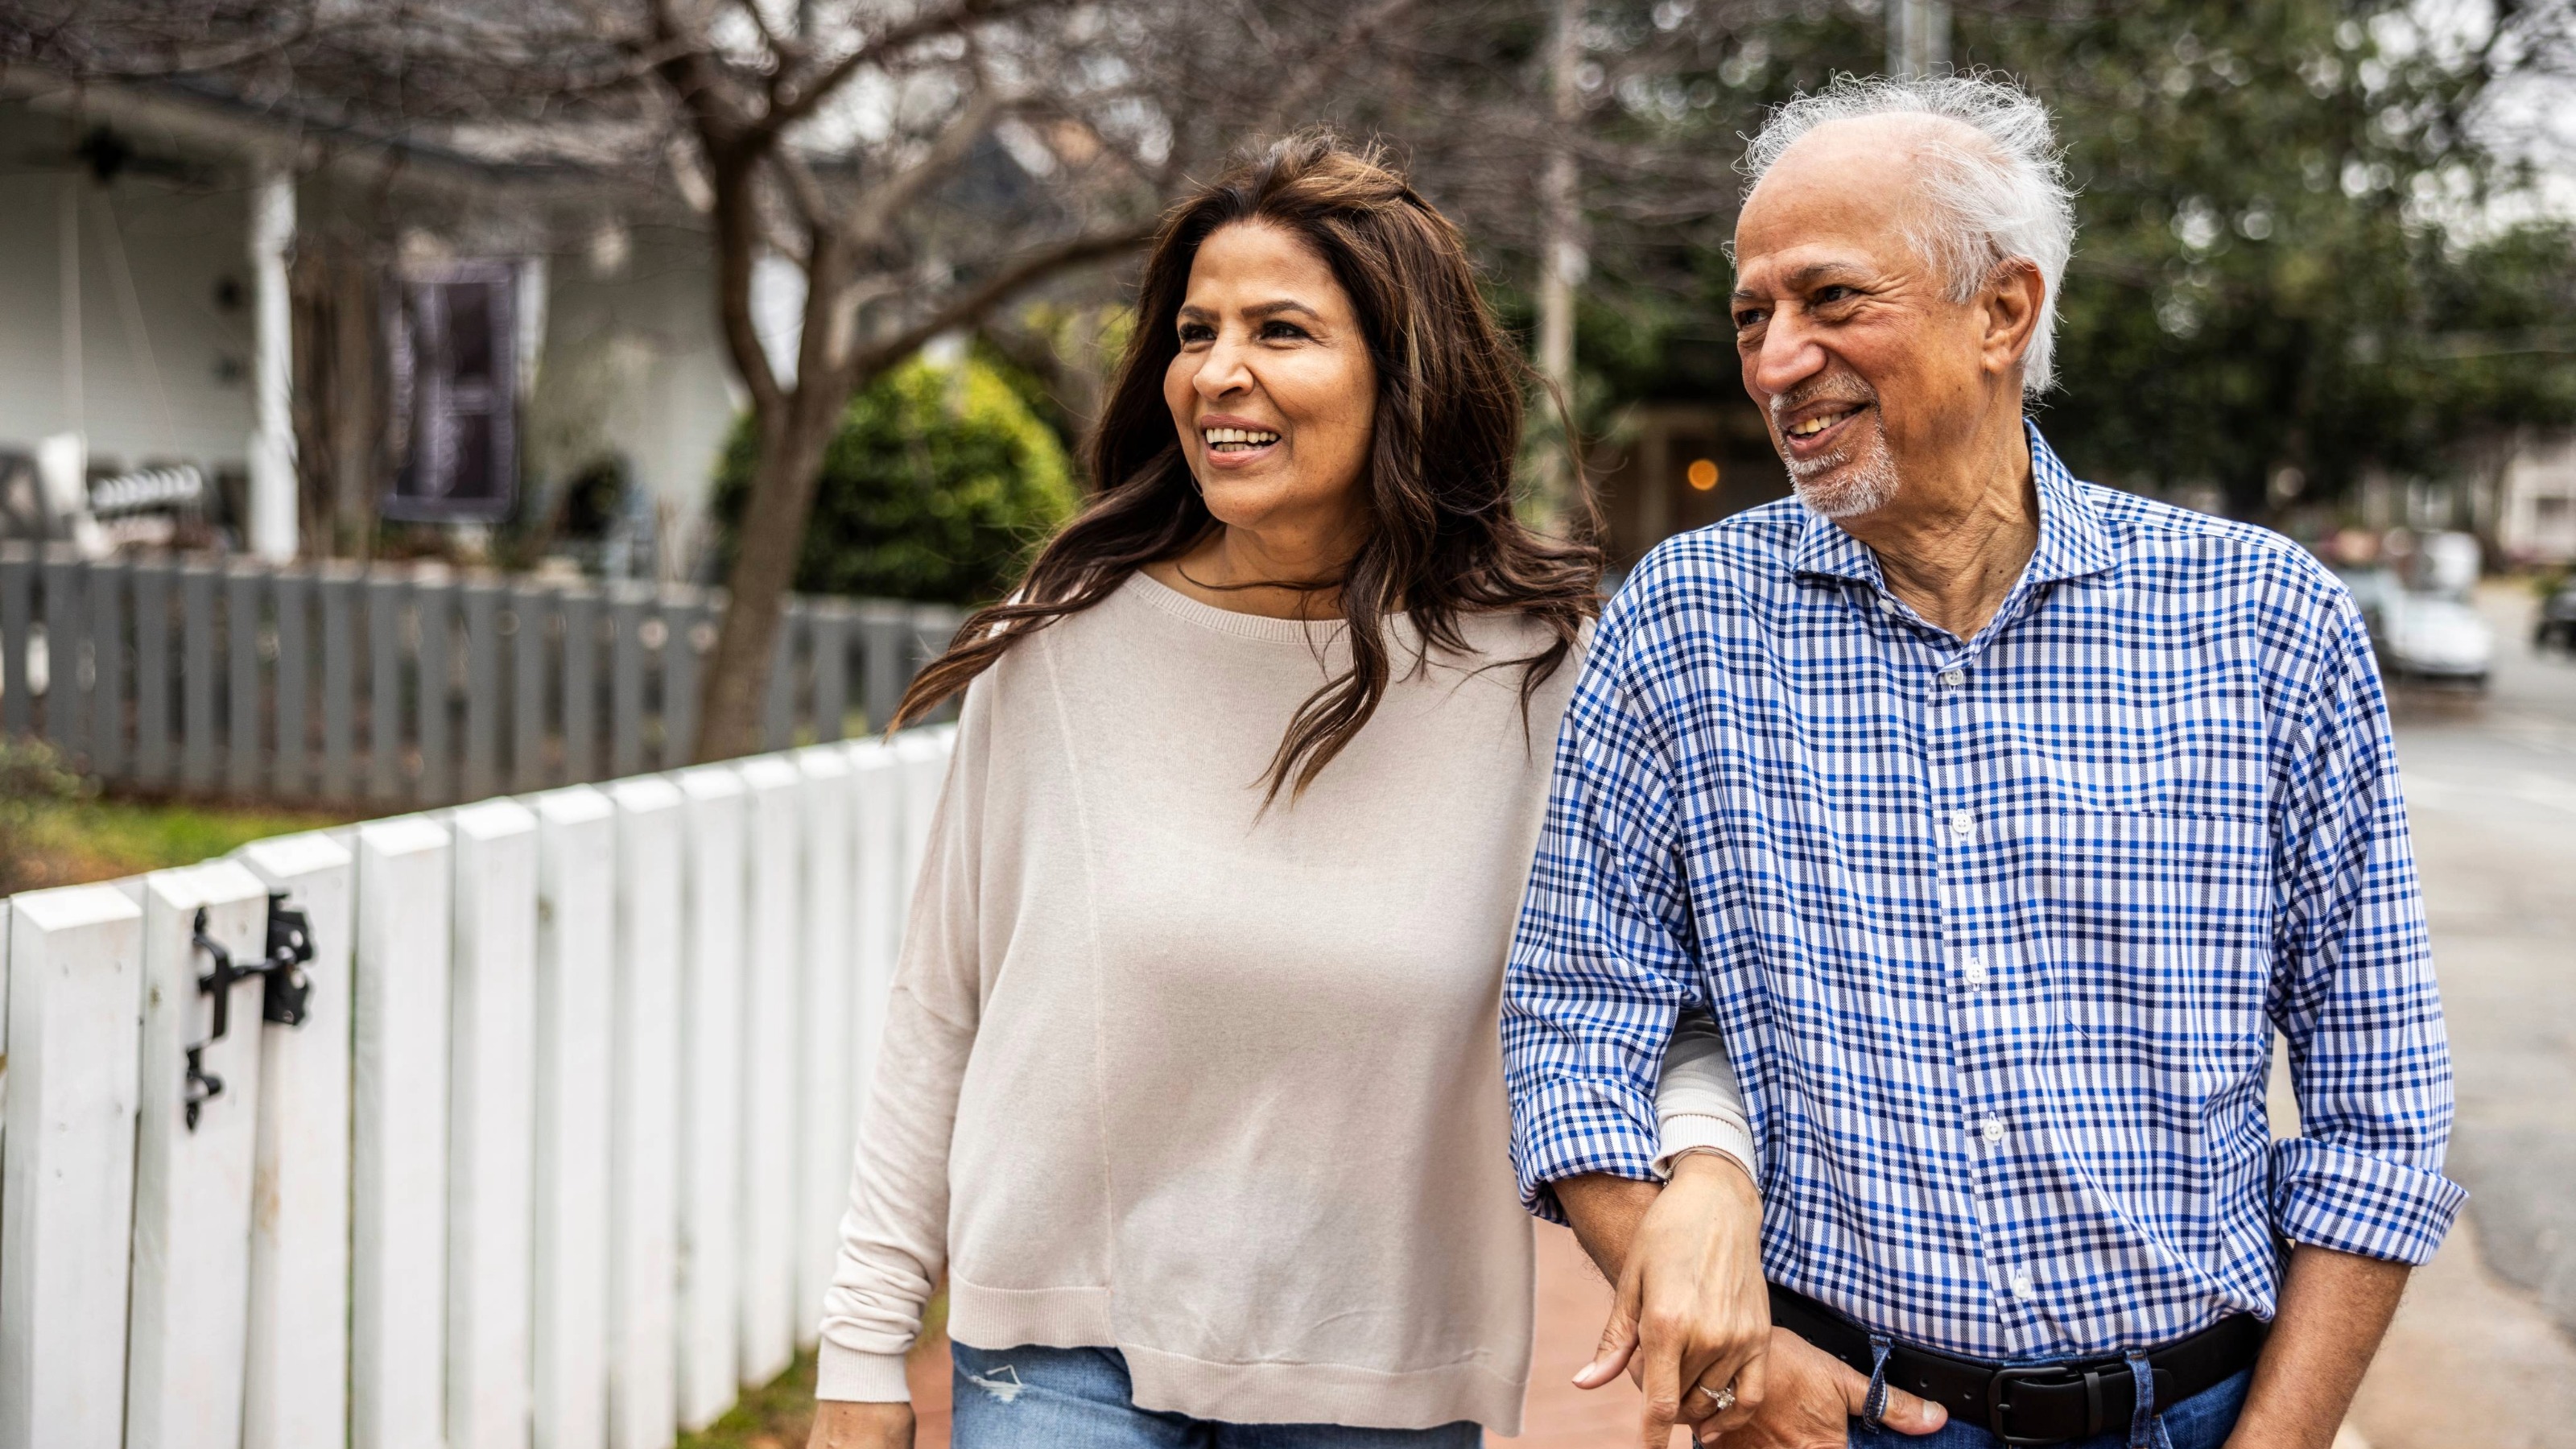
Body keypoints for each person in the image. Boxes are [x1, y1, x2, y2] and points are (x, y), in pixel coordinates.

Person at [1502, 76, 2463, 1449]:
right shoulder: (1684, 624)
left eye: (1832, 301)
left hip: (2200, 1412)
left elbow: (2380, 1111)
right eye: (1752, 315)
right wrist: (1730, 1357)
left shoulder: (2261, 618)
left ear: (2003, 312)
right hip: (1834, 1410)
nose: (1776, 361)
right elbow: (1573, 1018)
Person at [806, 132, 1755, 1449]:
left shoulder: (1543, 669)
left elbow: (1659, 991)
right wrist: (861, 1347)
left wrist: (1708, 1182)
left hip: (1381, 1376)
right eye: (1197, 331)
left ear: (1400, 374)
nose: (1219, 373)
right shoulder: (1064, 641)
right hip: (1065, 1352)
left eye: (1282, 329)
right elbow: (940, 1005)